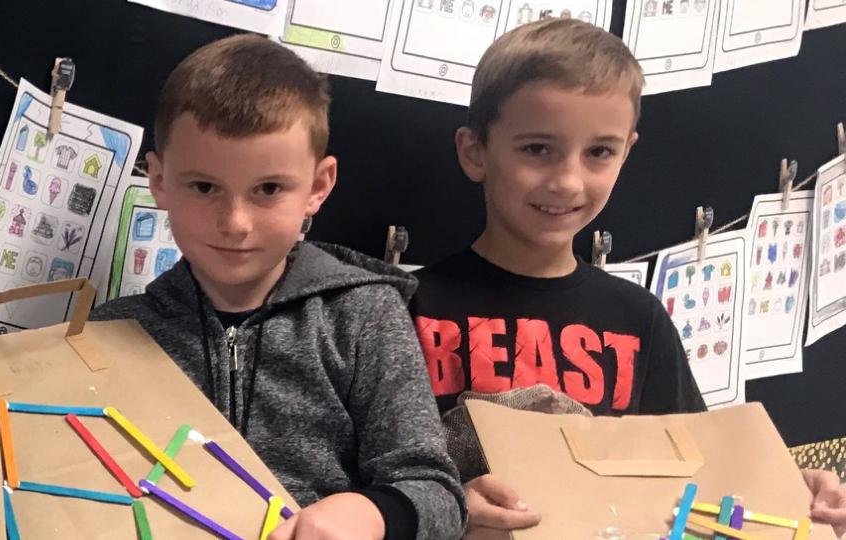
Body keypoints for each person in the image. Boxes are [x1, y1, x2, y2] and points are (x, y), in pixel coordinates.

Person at [408, 17, 846, 534]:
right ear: (474, 151)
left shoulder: (638, 318)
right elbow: (371, 483)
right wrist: (444, 510)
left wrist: (792, 490)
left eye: (599, 152)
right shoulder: (408, 307)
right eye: (536, 148)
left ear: (627, 152)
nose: (568, 181)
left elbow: (695, 480)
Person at [92, 34, 464, 539]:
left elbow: (437, 493)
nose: (236, 222)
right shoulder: (111, 334)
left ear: (317, 186)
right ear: (158, 181)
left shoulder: (364, 315)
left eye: (268, 189)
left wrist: (373, 514)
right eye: (204, 187)